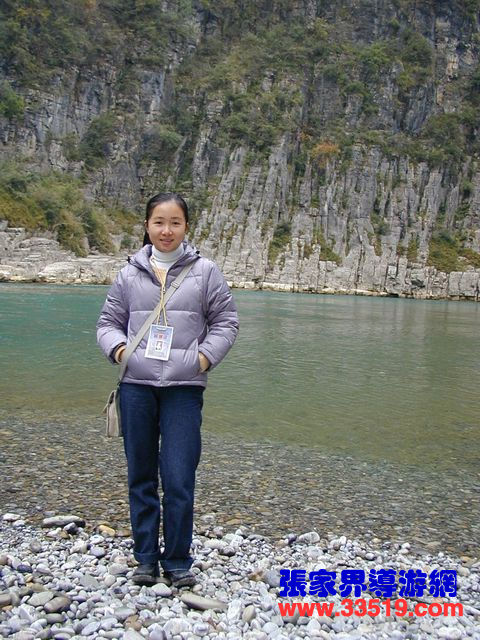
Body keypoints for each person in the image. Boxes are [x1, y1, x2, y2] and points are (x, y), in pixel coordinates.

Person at [96, 193, 239, 588]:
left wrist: (202, 359)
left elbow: (226, 322)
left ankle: (177, 560)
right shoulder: (129, 273)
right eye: (159, 222)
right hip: (136, 388)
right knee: (141, 476)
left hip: (183, 390)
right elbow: (107, 323)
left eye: (175, 222)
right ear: (147, 225)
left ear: (186, 227)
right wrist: (121, 351)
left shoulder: (205, 272)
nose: (166, 230)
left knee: (178, 477)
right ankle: (145, 559)